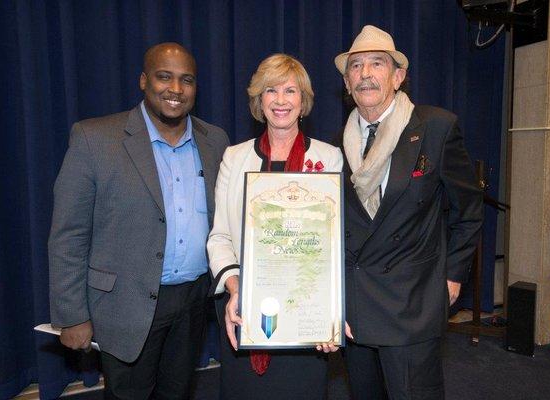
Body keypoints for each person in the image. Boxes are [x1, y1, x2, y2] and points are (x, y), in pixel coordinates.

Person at [48, 43, 229, 399]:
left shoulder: (216, 141)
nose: (175, 89)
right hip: (125, 306)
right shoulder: (94, 139)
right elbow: (68, 235)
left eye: (186, 80)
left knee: (178, 393)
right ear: (143, 81)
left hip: (193, 304)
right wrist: (71, 315)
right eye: (165, 77)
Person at [334, 25, 483, 400]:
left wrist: (451, 278)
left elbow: (468, 210)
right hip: (356, 307)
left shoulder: (435, 127)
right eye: (356, 66)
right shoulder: (338, 142)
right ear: (347, 83)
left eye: (377, 64)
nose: (365, 73)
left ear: (398, 77)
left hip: (412, 304)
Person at [206, 53, 343, 400]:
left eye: (290, 91)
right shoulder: (235, 158)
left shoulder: (329, 158)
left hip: (306, 314)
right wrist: (237, 289)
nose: (280, 100)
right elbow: (220, 236)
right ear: (259, 100)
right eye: (271, 90)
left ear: (303, 101)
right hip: (245, 311)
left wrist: (330, 309)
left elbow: (338, 244)